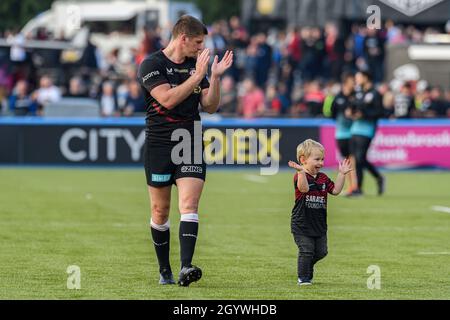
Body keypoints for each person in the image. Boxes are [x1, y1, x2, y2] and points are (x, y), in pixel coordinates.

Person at [137, 15, 233, 286]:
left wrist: (213, 78)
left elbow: (210, 106)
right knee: (160, 211)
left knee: (189, 205)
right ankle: (164, 269)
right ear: (183, 38)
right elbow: (167, 99)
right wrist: (198, 77)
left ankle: (185, 267)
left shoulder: (196, 65)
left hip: (189, 140)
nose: (202, 48)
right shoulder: (151, 64)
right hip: (159, 142)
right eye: (199, 42)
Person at [288, 139, 352, 285]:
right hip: (302, 223)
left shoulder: (323, 177)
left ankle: (305, 266)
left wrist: (342, 174)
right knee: (306, 250)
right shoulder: (299, 175)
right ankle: (303, 278)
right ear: (303, 160)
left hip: (320, 224)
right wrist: (301, 172)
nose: (321, 163)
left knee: (321, 252)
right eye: (317, 159)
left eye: (322, 159)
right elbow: (304, 189)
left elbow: (335, 191)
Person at [349, 71, 385, 196]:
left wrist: (364, 114)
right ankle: (377, 178)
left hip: (367, 130)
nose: (356, 79)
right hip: (354, 129)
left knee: (360, 158)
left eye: (358, 77)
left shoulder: (375, 94)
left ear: (366, 78)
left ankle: (358, 188)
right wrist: (351, 112)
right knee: (358, 159)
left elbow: (380, 112)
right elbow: (353, 107)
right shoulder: (359, 93)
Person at [330, 73, 358, 194]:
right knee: (346, 160)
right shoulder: (338, 97)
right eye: (352, 81)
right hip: (341, 133)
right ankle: (350, 186)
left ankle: (355, 186)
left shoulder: (356, 97)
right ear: (346, 82)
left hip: (353, 132)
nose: (354, 84)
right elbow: (331, 113)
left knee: (352, 159)